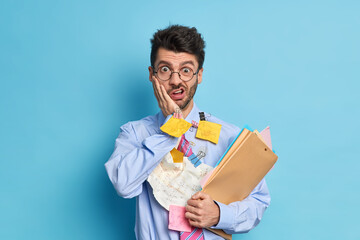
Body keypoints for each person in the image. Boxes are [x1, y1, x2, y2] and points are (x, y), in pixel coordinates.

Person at [105, 25, 270, 240]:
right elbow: (123, 185)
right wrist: (170, 131)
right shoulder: (135, 134)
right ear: (151, 75)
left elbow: (258, 200)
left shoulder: (230, 136)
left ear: (199, 75)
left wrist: (220, 214)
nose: (175, 81)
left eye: (186, 70)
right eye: (165, 69)